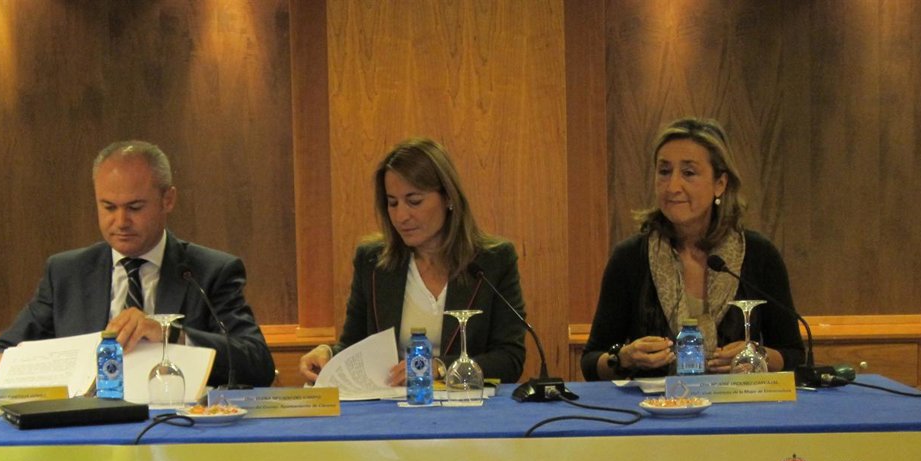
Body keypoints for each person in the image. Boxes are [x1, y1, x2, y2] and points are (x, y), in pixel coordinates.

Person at [0, 140, 276, 388]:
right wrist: (2, 367)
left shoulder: (209, 271)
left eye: (134, 207)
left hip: (177, 427)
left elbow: (257, 364)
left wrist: (171, 335)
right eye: (108, 207)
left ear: (168, 200)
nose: (120, 222)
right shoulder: (66, 273)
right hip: (83, 431)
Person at [581, 118, 804, 380]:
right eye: (664, 172)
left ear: (720, 184)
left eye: (688, 173)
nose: (673, 186)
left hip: (737, 403)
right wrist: (624, 358)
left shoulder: (759, 254)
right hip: (657, 404)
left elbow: (795, 356)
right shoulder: (630, 258)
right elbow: (591, 362)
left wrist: (758, 355)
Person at [298, 137, 527, 385]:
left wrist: (439, 368)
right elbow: (355, 345)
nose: (401, 216)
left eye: (414, 201)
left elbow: (509, 359)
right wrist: (328, 354)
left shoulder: (493, 261)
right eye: (392, 203)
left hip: (466, 404)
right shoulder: (372, 262)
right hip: (392, 404)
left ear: (448, 198)